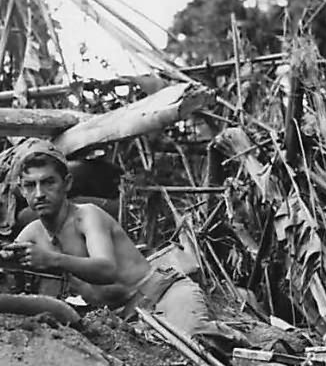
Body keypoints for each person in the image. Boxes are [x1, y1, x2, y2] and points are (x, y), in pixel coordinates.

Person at [12, 140, 217, 338]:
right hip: (125, 318)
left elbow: (106, 269)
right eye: (30, 186)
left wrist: (51, 259)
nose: (39, 194)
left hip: (162, 295)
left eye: (48, 182)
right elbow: (8, 273)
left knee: (195, 345)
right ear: (22, 190)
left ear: (67, 184)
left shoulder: (86, 216)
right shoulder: (32, 234)